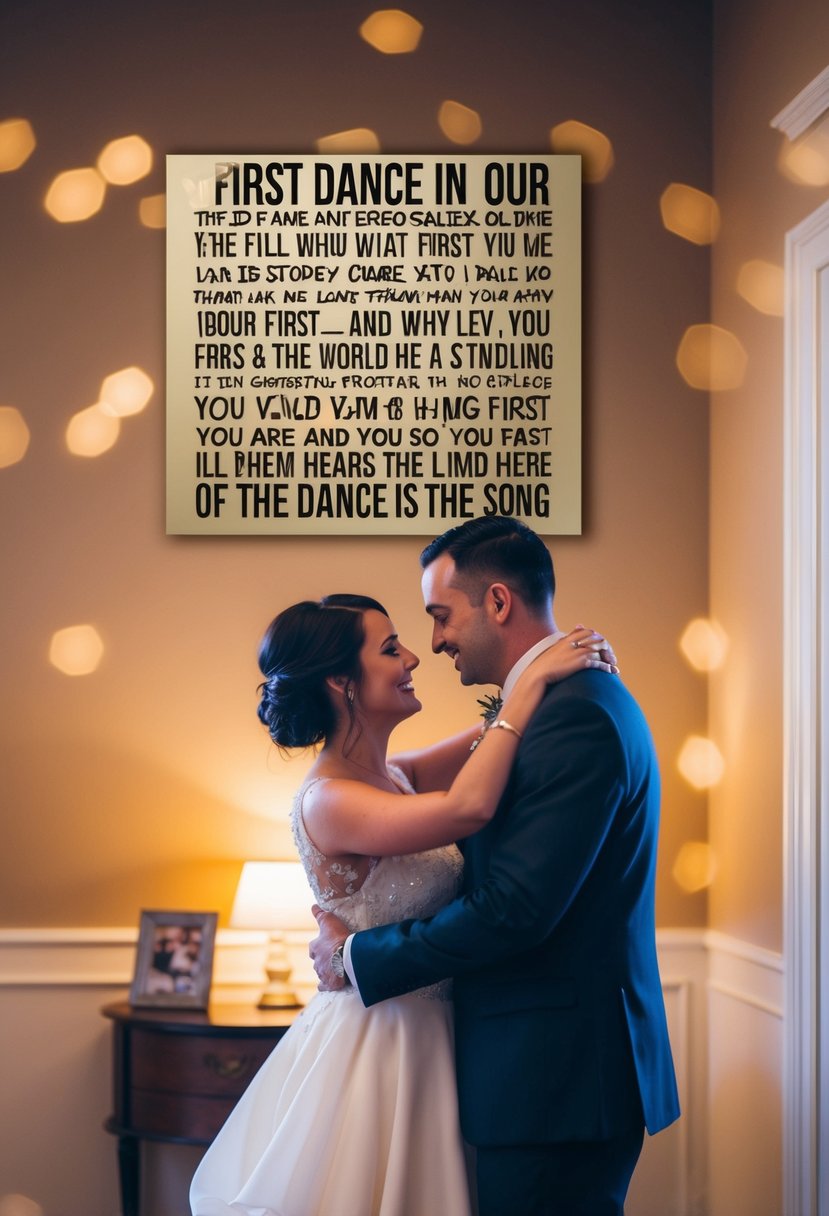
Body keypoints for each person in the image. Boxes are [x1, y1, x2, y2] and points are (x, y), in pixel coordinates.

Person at [190, 590, 615, 1216]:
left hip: (441, 1037)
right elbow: (468, 806)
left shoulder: (395, 776)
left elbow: (492, 742)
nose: (414, 655)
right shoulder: (329, 800)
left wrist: (550, 667)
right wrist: (530, 690)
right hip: (383, 1049)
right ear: (342, 682)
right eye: (391, 648)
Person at [311, 516, 681, 1216]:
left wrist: (356, 956)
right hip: (516, 1072)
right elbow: (465, 798)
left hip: (555, 1080)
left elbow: (514, 907)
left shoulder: (570, 714)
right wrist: (522, 693)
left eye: (439, 616)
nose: (432, 643)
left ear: (499, 603)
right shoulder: (553, 707)